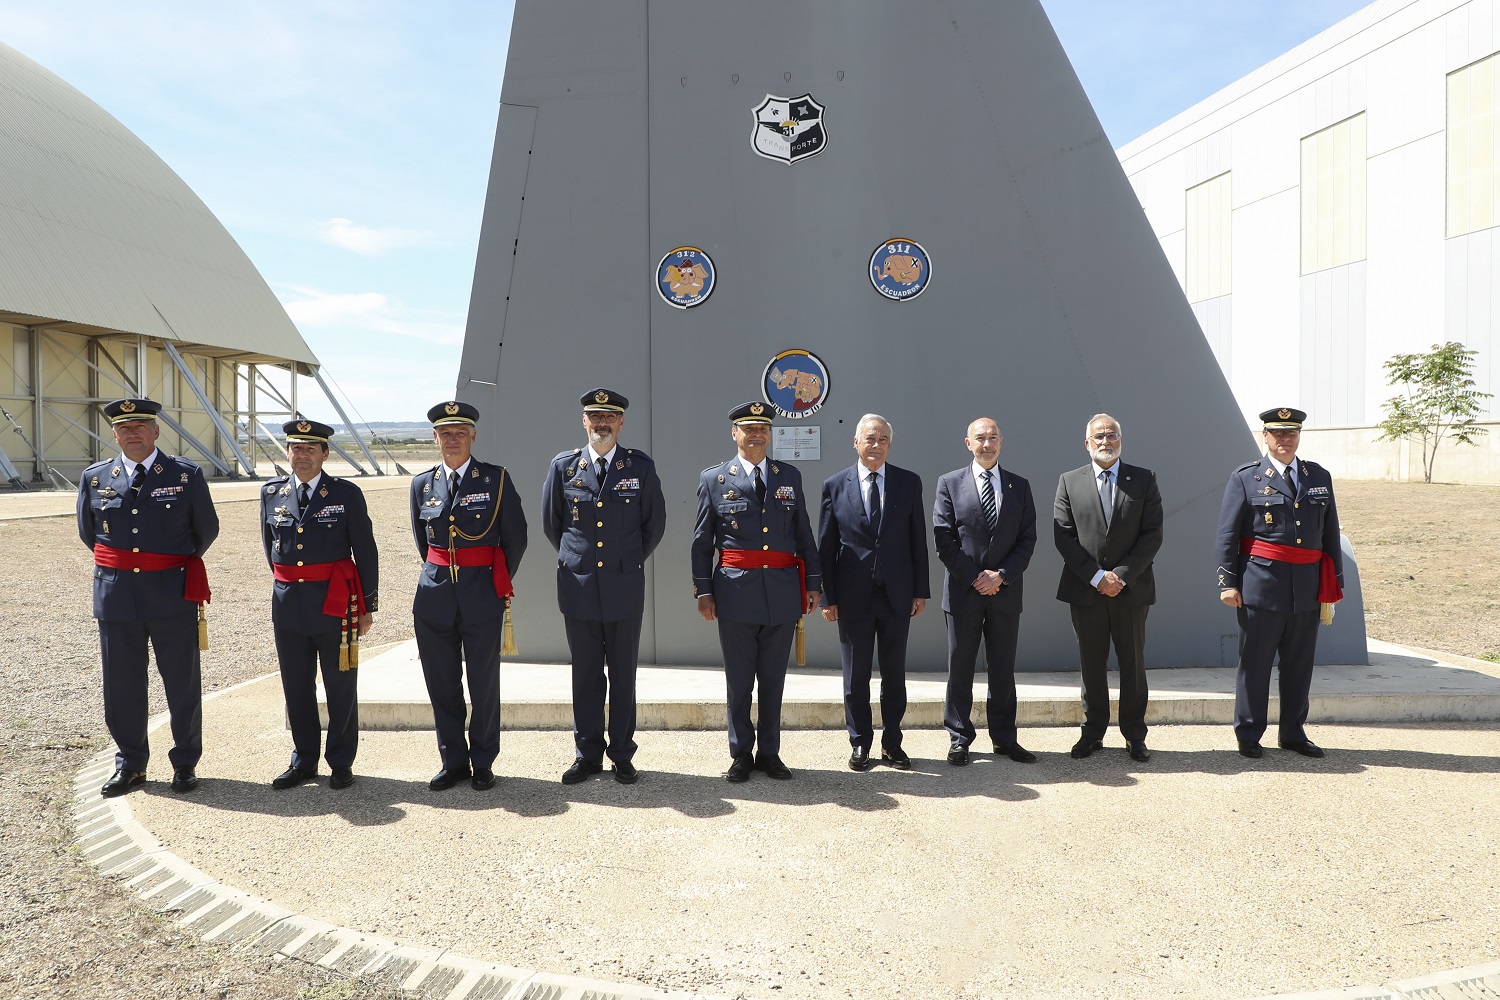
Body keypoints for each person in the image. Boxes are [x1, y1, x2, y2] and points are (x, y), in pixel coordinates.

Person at [76, 397, 219, 797]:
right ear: (114, 434)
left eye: (140, 425)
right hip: (117, 595)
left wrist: (165, 565)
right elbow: (89, 533)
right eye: (124, 427)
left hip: (171, 593)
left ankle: (185, 762)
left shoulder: (184, 475)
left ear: (156, 431)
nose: (132, 433)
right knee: (121, 684)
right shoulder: (95, 478)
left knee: (181, 683)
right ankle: (131, 764)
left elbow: (206, 529)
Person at [540, 388, 665, 785]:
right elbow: (553, 524)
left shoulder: (639, 467)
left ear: (621, 423)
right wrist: (579, 559)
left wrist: (625, 560)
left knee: (623, 675)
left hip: (624, 586)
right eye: (595, 416)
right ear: (584, 421)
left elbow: (654, 526)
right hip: (578, 587)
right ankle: (587, 755)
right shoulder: (564, 467)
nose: (602, 423)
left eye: (609, 417)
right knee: (586, 675)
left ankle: (622, 754)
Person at [692, 401, 821, 782]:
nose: (756, 434)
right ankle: (740, 754)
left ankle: (769, 752)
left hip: (781, 592)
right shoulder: (715, 479)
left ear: (770, 434)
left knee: (773, 679)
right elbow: (702, 543)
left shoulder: (788, 476)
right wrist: (703, 591)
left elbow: (803, 534)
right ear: (735, 433)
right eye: (748, 428)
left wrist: (813, 583)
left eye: (762, 428)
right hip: (735, 592)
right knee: (739, 681)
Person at [411, 400, 527, 790]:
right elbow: (424, 543)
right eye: (445, 433)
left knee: (483, 683)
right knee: (441, 683)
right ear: (435, 438)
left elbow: (516, 538)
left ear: (473, 435)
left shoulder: (496, 479)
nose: (453, 439)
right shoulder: (421, 484)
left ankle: (483, 761)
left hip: (482, 596)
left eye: (460, 432)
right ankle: (453, 761)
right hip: (434, 598)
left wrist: (492, 581)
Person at [1215, 407, 1343, 759]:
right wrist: (1228, 583)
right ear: (1265, 437)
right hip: (1261, 587)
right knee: (1255, 665)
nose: (1285, 439)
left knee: (1299, 666)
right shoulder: (1246, 477)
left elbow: (1330, 533)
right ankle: (1249, 734)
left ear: (1299, 436)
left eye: (1291, 433)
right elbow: (1227, 535)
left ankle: (1293, 733)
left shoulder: (1318, 476)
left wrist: (1334, 584)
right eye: (1278, 433)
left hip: (1307, 588)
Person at [261, 418, 378, 790]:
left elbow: (365, 552)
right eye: (296, 448)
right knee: (296, 686)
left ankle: (341, 761)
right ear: (288, 453)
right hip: (288, 607)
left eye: (310, 448)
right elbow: (271, 548)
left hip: (335, 605)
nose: (302, 455)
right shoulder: (271, 493)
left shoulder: (345, 494)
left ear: (325, 454)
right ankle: (304, 760)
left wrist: (366, 607)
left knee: (340, 685)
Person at [817, 414, 930, 771]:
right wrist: (827, 597)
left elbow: (917, 541)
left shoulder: (908, 483)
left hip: (897, 595)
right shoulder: (835, 485)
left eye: (882, 439)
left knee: (894, 676)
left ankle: (892, 743)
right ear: (856, 442)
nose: (876, 445)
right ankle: (859, 743)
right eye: (870, 438)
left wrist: (920, 591)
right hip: (853, 597)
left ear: (889, 445)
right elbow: (826, 548)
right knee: (856, 677)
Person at [1053, 413, 1163, 762]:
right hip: (1086, 590)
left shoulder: (1143, 479)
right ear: (1087, 443)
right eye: (1099, 436)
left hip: (1132, 590)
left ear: (1121, 440)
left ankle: (1134, 735)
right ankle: (1093, 732)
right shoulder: (1069, 481)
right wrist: (1097, 577)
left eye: (1111, 435)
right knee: (1091, 664)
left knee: (1133, 664)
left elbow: (1152, 534)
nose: (1105, 441)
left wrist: (1121, 576)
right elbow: (1063, 536)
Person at [932, 417, 1037, 765]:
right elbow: (944, 539)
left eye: (993, 438)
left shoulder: (1020, 486)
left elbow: (1027, 539)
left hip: (1005, 593)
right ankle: (959, 738)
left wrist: (1001, 576)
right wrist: (976, 577)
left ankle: (1004, 738)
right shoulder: (949, 483)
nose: (987, 444)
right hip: (963, 592)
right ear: (968, 443)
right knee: (960, 668)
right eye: (980, 438)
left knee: (1002, 669)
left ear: (1001, 441)